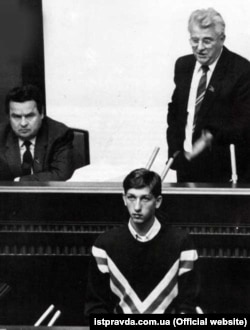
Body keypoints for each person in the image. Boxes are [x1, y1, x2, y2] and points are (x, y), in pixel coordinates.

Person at [85, 168, 199, 315]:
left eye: (145, 198)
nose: (137, 207)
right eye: (131, 197)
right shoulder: (104, 245)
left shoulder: (182, 244)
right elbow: (95, 308)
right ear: (124, 199)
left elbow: (188, 306)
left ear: (158, 202)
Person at [167, 8, 250, 182]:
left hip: (224, 173)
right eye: (195, 40)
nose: (200, 48)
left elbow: (244, 123)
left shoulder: (241, 70)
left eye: (207, 41)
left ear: (222, 39)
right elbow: (175, 113)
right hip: (186, 169)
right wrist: (176, 153)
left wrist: (210, 136)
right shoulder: (183, 65)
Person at [0, 84, 74, 181]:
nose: (23, 123)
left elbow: (61, 174)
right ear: (9, 117)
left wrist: (19, 182)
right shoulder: (2, 134)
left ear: (42, 113)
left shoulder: (60, 134)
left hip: (48, 195)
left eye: (29, 116)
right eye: (17, 117)